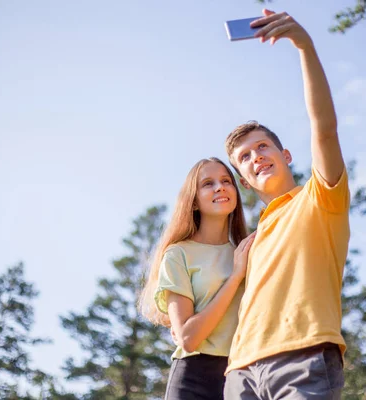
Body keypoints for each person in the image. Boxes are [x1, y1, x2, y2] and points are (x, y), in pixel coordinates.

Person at [222, 9, 350, 400]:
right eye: (245, 157)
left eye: (263, 146)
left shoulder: (319, 197)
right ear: (244, 180)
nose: (256, 156)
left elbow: (324, 130)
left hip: (304, 356)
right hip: (240, 371)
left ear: (286, 154)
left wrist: (304, 47)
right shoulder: (250, 240)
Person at [138, 157, 256, 400]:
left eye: (226, 181)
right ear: (192, 202)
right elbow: (188, 338)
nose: (220, 187)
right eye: (208, 184)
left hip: (244, 377)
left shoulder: (249, 251)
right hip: (194, 380)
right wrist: (235, 277)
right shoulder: (178, 254)